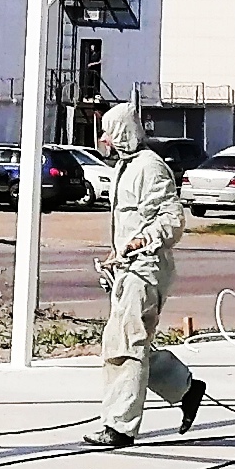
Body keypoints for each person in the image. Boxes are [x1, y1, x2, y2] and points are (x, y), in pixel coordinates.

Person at [85, 100, 206, 449]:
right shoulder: (127, 167)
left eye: (108, 133)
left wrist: (143, 240)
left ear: (123, 133)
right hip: (129, 269)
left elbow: (171, 218)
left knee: (126, 345)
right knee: (125, 343)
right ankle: (184, 388)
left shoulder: (150, 168)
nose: (103, 140)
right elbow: (131, 223)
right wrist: (117, 255)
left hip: (146, 270)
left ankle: (119, 427)